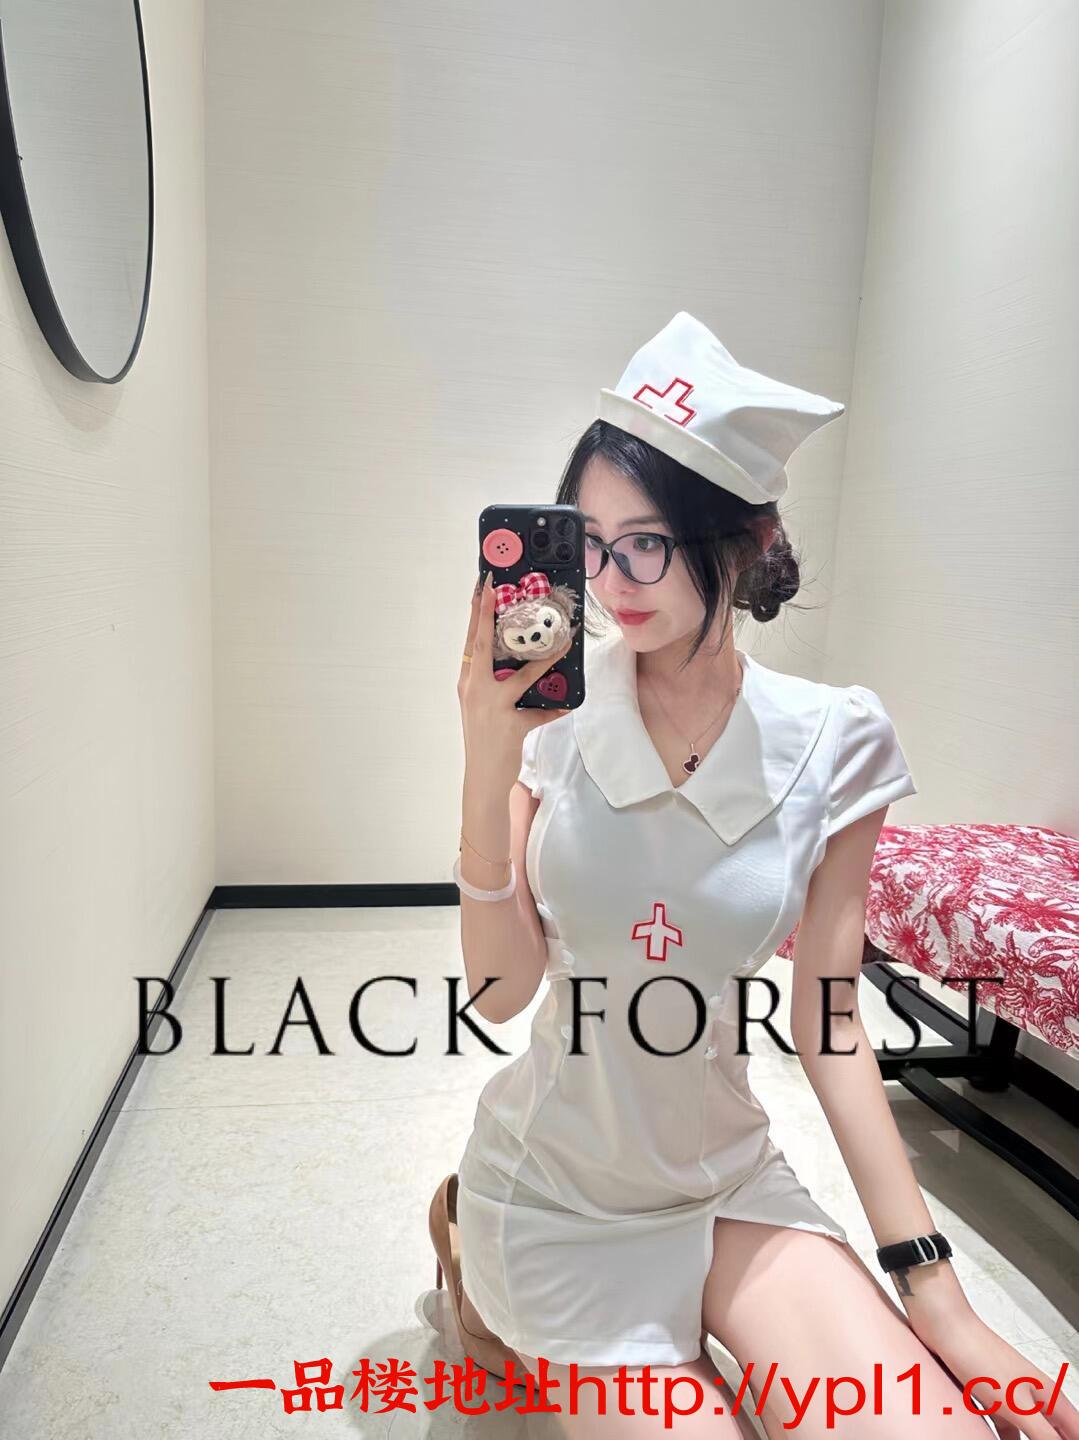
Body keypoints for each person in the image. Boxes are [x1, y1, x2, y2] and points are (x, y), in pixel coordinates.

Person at [428, 313, 1079, 1438]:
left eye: (646, 542)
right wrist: (486, 759)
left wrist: (937, 1295)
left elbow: (830, 1021)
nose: (610, 581)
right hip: (559, 1197)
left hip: (726, 1182)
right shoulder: (553, 727)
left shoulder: (836, 740)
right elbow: (498, 995)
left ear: (744, 538)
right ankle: (465, 1232)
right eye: (589, 543)